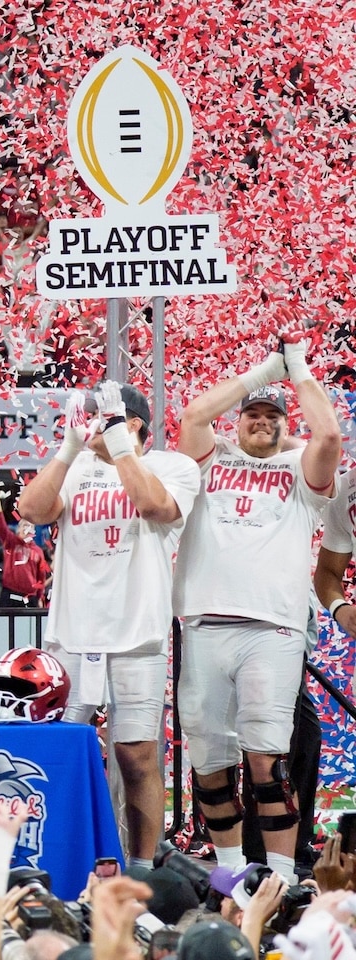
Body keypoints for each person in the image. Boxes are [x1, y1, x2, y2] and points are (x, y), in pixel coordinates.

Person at [173, 328, 340, 882]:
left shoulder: (300, 472)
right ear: (238, 421)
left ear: (287, 425)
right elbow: (195, 415)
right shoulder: (208, 456)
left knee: (269, 765)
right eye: (253, 415)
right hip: (203, 623)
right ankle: (227, 874)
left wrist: (300, 373)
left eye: (273, 416)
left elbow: (331, 436)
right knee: (209, 765)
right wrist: (263, 375)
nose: (263, 421)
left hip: (272, 630)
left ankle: (284, 876)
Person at [16, 381, 199, 870]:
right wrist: (69, 446)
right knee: (57, 753)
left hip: (137, 633)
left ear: (132, 422)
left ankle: (141, 870)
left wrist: (117, 437)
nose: (87, 421)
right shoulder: (75, 467)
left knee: (136, 757)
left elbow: (154, 506)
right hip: (72, 633)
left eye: (98, 415)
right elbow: (31, 511)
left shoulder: (173, 466)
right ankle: (52, 859)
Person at [0, 492, 49, 608]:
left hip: (31, 597)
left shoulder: (38, 551)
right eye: (25, 525)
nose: (28, 529)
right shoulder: (11, 543)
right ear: (18, 530)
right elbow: (2, 527)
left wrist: (40, 597)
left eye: (31, 526)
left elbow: (41, 577)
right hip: (10, 594)